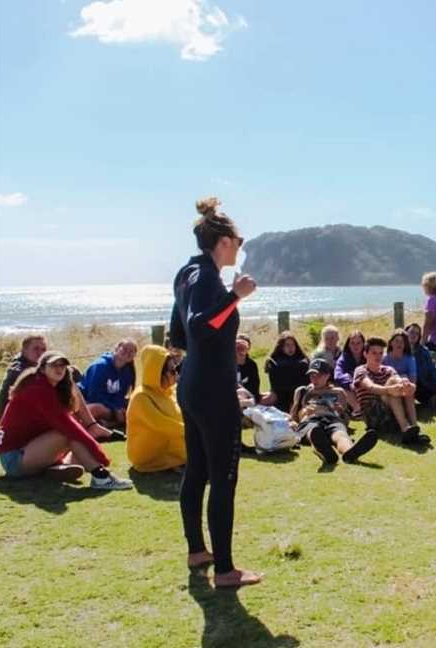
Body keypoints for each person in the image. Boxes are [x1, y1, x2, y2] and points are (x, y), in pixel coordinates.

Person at [169, 196, 261, 587]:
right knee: (223, 477)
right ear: (223, 242)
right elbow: (203, 325)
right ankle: (225, 570)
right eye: (238, 242)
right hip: (212, 390)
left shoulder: (186, 274)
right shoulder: (208, 278)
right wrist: (235, 297)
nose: (240, 248)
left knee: (197, 469)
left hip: (191, 384)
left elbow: (179, 333)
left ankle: (197, 550)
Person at [0, 351, 132, 489]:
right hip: (13, 459)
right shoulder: (38, 389)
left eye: (62, 365)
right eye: (53, 365)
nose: (59, 369)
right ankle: (101, 478)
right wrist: (100, 456)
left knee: (75, 434)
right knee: (69, 433)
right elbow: (68, 427)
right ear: (42, 369)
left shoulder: (49, 386)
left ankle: (59, 468)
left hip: (27, 449)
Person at [290, 359, 378, 465]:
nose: (314, 379)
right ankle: (323, 451)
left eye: (319, 375)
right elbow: (294, 416)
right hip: (310, 419)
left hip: (332, 419)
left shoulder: (338, 392)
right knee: (314, 432)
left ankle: (349, 452)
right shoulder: (302, 391)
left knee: (340, 434)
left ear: (327, 376)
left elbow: (345, 419)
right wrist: (304, 411)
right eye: (312, 375)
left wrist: (340, 410)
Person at [126, 345, 187, 473]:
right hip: (146, 454)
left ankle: (180, 460)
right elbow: (161, 425)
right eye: (171, 371)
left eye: (175, 369)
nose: (176, 374)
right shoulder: (141, 397)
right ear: (157, 372)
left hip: (167, 445)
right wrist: (194, 431)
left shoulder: (170, 392)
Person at [353, 337, 424, 445]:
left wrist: (407, 384)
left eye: (380, 353)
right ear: (365, 354)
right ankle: (405, 428)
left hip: (392, 414)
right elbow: (371, 387)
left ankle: (414, 427)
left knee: (405, 385)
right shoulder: (360, 371)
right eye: (374, 353)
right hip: (374, 415)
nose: (378, 356)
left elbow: (398, 380)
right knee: (392, 384)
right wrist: (389, 390)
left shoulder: (388, 369)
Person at [80, 338, 138, 428]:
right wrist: (114, 410)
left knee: (136, 406)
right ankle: (110, 423)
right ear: (116, 349)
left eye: (131, 351)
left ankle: (107, 424)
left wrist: (119, 408)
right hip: (89, 402)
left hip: (110, 406)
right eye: (125, 349)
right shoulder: (100, 366)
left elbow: (120, 396)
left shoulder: (128, 372)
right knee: (96, 409)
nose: (127, 353)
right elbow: (93, 396)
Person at [0, 334, 48, 418]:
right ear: (24, 350)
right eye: (36, 349)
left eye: (43, 350)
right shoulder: (17, 369)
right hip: (15, 423)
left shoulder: (35, 365)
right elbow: (22, 373)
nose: (40, 353)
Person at [263, 331, 309, 412]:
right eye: (287, 345)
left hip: (300, 396)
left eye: (292, 345)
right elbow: (275, 386)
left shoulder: (303, 361)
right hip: (281, 396)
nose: (290, 348)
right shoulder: (274, 362)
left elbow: (306, 383)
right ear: (281, 347)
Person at [404, 323, 436, 405]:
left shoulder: (424, 351)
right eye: (412, 332)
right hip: (419, 387)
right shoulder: (401, 352)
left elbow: (434, 368)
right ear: (406, 333)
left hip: (430, 382)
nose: (414, 335)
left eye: (417, 333)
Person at [334, 330, 366, 415]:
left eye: (358, 343)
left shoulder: (368, 356)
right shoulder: (344, 358)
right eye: (352, 343)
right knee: (343, 390)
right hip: (349, 390)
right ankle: (357, 410)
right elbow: (337, 376)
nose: (356, 346)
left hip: (366, 387)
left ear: (363, 344)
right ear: (348, 344)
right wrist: (350, 383)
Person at [235, 335, 261, 403]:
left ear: (248, 348)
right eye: (238, 347)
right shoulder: (228, 364)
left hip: (248, 397)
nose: (241, 350)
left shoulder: (252, 365)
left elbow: (255, 387)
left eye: (243, 347)